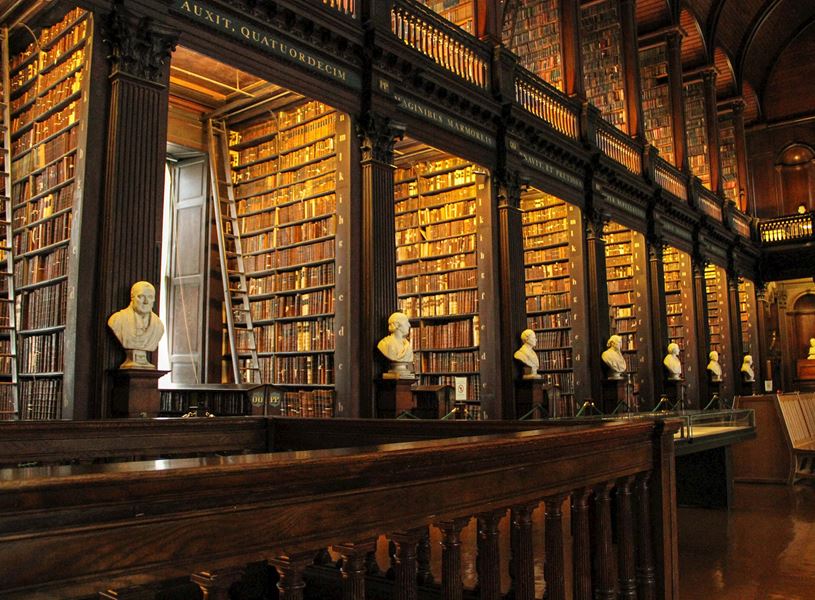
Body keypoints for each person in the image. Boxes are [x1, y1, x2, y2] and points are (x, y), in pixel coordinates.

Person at [107, 281, 165, 369]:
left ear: (154, 300)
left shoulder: (158, 326)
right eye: (141, 296)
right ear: (132, 298)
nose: (146, 301)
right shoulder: (117, 320)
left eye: (150, 297)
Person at [377, 312, 414, 378]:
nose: (409, 325)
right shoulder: (385, 344)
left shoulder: (407, 346)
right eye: (406, 322)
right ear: (397, 325)